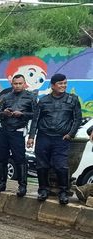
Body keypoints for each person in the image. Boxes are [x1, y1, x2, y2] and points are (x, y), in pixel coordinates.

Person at [28, 73, 82, 205]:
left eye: (65, 83)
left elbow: (77, 119)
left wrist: (71, 134)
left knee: (61, 166)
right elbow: (36, 120)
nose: (63, 86)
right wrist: (31, 137)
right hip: (43, 137)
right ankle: (43, 190)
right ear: (53, 86)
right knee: (41, 165)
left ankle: (63, 192)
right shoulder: (44, 100)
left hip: (61, 139)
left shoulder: (72, 100)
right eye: (60, 84)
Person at [0, 74, 36, 197]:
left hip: (18, 131)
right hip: (4, 131)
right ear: (12, 84)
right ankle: (1, 183)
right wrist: (4, 113)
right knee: (1, 158)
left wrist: (22, 114)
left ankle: (22, 187)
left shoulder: (31, 97)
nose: (17, 86)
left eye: (20, 83)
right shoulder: (6, 97)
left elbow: (35, 115)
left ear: (24, 83)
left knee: (19, 159)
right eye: (15, 83)